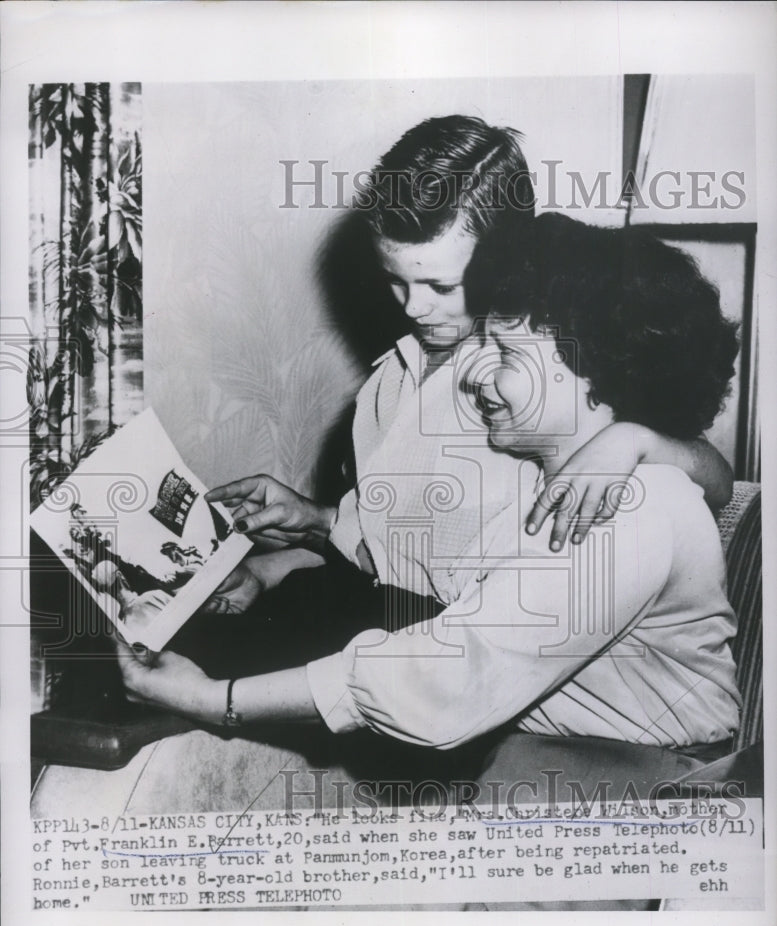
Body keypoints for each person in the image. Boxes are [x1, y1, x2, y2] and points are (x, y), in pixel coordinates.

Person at [117, 212, 741, 764]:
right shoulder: (542, 479)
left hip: (649, 783)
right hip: (550, 758)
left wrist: (212, 700)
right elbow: (424, 565)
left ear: (594, 375)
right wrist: (283, 557)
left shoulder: (628, 509)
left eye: (505, 357)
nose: (478, 381)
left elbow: (447, 680)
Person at [198, 116, 733, 660]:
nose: (414, 307)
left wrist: (632, 441)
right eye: (396, 280)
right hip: (381, 623)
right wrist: (306, 530)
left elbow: (717, 483)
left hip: (464, 658)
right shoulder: (392, 377)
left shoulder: (542, 385)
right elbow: (393, 555)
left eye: (440, 285)